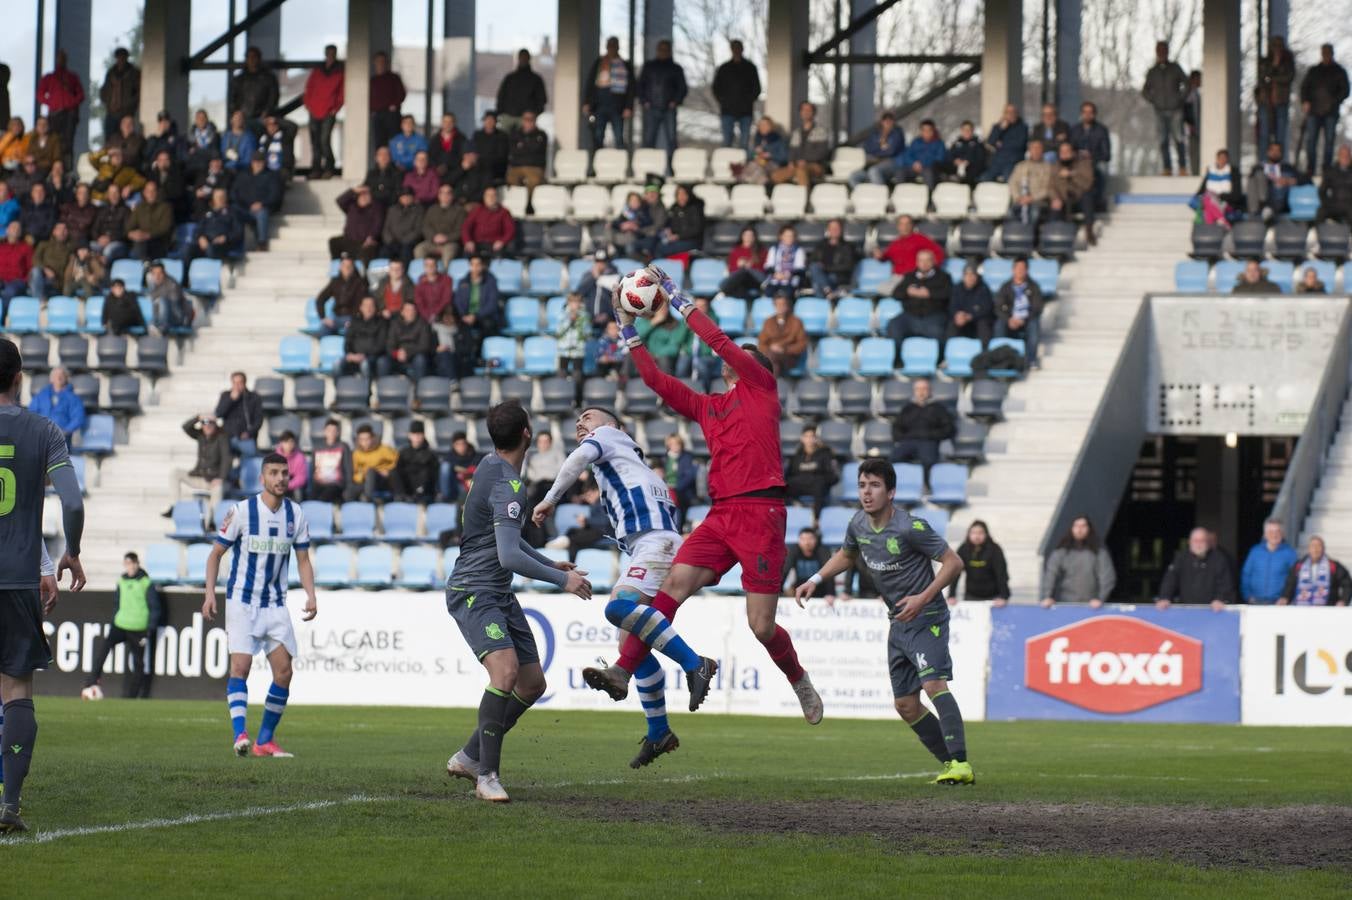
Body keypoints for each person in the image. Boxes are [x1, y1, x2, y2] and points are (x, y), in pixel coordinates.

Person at [589, 266, 823, 725]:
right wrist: (628, 327)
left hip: (761, 513)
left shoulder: (761, 387)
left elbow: (718, 341)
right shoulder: (709, 406)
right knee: (671, 587)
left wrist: (676, 296)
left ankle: (798, 679)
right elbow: (656, 382)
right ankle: (622, 670)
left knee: (760, 626)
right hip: (721, 515)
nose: (731, 359)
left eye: (740, 356)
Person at [529, 408, 716, 768]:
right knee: (628, 643)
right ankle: (659, 730)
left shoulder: (611, 439)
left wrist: (551, 498)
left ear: (612, 426)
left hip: (654, 542)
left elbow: (579, 457)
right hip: (647, 544)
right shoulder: (626, 460)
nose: (581, 423)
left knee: (617, 609)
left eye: (589, 417)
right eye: (578, 421)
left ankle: (696, 664)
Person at [443, 401, 593, 801]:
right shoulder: (508, 483)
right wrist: (563, 579)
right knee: (505, 674)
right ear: (527, 433)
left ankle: (472, 755)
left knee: (531, 684)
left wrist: (547, 561)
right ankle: (487, 775)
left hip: (497, 592)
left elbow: (506, 539)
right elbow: (508, 555)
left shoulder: (489, 466)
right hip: (475, 592)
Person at [795, 459, 971, 785]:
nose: (866, 492)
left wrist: (923, 596)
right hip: (898, 621)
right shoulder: (858, 524)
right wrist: (817, 579)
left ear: (890, 492)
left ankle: (961, 761)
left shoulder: (910, 527)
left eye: (874, 485)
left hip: (927, 615)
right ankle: (951, 764)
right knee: (905, 704)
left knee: (934, 684)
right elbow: (847, 555)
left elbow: (953, 562)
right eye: (862, 485)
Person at [0, 337, 87, 833]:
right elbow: (72, 504)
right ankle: (10, 807)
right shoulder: (45, 430)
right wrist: (67, 553)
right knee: (16, 689)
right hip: (16, 579)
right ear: (18, 378)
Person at [204, 452, 317, 760]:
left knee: (284, 672)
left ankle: (264, 741)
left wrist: (311, 594)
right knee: (240, 667)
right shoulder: (241, 512)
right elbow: (215, 554)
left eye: (284, 473)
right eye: (274, 473)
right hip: (242, 601)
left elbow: (303, 559)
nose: (280, 478)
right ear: (262, 478)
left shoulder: (296, 515)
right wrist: (210, 593)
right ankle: (240, 733)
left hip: (275, 605)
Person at [83, 552, 160, 699]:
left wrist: (149, 630)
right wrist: (114, 620)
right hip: (120, 625)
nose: (129, 567)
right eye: (127, 564)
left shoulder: (146, 583)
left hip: (138, 628)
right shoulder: (122, 581)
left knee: (138, 664)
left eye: (131, 564)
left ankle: (132, 697)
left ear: (137, 564)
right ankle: (92, 680)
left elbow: (155, 607)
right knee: (104, 648)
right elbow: (117, 603)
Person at [1041, 515, 1116, 607]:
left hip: (1092, 606)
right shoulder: (1061, 552)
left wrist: (1100, 598)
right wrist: (1047, 596)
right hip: (1065, 604)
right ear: (1071, 528)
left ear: (1089, 529)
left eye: (1083, 526)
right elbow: (1050, 575)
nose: (1079, 529)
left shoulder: (1099, 553)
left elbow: (1107, 577)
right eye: (1076, 526)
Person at [166, 414, 231, 518]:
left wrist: (221, 478)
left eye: (211, 423)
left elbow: (227, 459)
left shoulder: (222, 437)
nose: (208, 426)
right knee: (175, 473)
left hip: (212, 480)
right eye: (205, 423)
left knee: (218, 488)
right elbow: (186, 427)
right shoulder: (200, 435)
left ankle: (212, 520)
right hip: (198, 477)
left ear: (215, 425)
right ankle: (175, 507)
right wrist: (198, 417)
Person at [1155, 527, 1236, 610]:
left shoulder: (1219, 559)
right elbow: (1170, 579)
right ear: (1189, 542)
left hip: (1212, 611)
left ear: (1208, 542)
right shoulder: (1181, 558)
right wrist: (1165, 597)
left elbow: (1226, 584)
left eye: (1202, 541)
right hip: (1185, 610)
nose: (1198, 544)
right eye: (1195, 541)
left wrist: (1220, 599)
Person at [1300, 45, 1349, 176]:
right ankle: (1310, 169)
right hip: (1314, 112)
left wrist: (1333, 102)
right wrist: (1305, 101)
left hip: (1331, 113)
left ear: (1332, 54)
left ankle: (1326, 170)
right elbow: (1304, 88)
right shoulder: (1314, 70)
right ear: (1321, 54)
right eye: (1324, 53)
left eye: (1328, 53)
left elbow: (1345, 91)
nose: (1326, 56)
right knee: (1311, 142)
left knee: (1329, 143)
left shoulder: (1339, 71)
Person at [887, 248, 952, 348]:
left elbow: (948, 294)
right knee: (894, 325)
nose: (924, 263)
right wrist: (908, 291)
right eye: (921, 260)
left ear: (933, 261)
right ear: (917, 262)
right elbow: (896, 294)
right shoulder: (909, 276)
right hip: (910, 316)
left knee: (938, 332)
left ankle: (939, 360)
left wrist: (929, 294)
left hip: (933, 316)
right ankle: (897, 359)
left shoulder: (943, 277)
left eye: (927, 260)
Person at [1142, 41, 1190, 174]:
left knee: (1179, 138)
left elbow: (1187, 84)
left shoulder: (1175, 68)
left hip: (1175, 110)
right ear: (1156, 52)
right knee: (1163, 140)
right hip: (1159, 110)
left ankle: (1182, 167)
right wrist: (1154, 100)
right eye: (1159, 50)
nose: (1161, 52)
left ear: (1167, 51)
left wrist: (1180, 99)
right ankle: (1167, 168)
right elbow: (1145, 90)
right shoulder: (1153, 71)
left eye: (1164, 50)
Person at [452, 254, 501, 377]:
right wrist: (464, 315)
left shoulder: (491, 281)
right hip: (467, 317)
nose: (475, 267)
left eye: (478, 264)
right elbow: (458, 301)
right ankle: (467, 362)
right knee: (461, 331)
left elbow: (492, 303)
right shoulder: (463, 281)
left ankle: (481, 357)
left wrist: (476, 316)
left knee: (487, 326)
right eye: (473, 265)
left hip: (484, 316)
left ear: (482, 266)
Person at [890, 377, 954, 472]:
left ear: (930, 391)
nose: (921, 392)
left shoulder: (939, 408)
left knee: (928, 461)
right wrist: (902, 438)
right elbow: (896, 427)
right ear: (914, 391)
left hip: (928, 441)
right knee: (893, 458)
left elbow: (948, 428)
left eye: (924, 389)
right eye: (918, 389)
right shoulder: (907, 408)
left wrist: (933, 436)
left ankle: (926, 485)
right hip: (908, 441)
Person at [638, 40, 688, 158]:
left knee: (671, 140)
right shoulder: (649, 66)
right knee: (649, 139)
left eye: (666, 49)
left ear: (670, 51)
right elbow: (640, 86)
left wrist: (675, 102)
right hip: (651, 108)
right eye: (661, 49)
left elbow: (682, 88)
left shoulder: (676, 68)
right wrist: (644, 101)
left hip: (669, 109)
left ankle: (672, 170)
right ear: (657, 50)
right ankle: (648, 168)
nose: (663, 52)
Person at [584, 37, 635, 150]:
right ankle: (597, 164)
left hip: (617, 105)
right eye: (609, 45)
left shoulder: (625, 65)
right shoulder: (599, 63)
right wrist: (587, 102)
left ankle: (621, 163)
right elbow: (590, 83)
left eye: (614, 45)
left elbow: (631, 88)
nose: (611, 48)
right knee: (598, 136)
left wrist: (628, 106)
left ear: (618, 47)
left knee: (619, 137)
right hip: (600, 104)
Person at [37, 50, 84, 168]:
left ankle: (67, 168)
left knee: (68, 142)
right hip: (55, 114)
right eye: (59, 58)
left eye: (63, 58)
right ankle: (53, 167)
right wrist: (52, 103)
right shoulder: (49, 77)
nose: (61, 60)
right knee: (53, 141)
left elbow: (81, 95)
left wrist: (70, 103)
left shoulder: (72, 77)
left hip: (68, 114)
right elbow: (40, 94)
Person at [303, 44, 343, 178]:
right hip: (314, 110)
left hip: (328, 111)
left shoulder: (339, 71)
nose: (330, 56)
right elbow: (309, 88)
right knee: (314, 141)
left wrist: (336, 108)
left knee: (324, 140)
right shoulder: (318, 71)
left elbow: (342, 93)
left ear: (336, 54)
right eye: (328, 53)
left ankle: (329, 168)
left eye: (333, 53)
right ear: (325, 54)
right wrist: (308, 105)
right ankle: (316, 169)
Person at [994, 258, 1044, 367]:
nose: (1020, 271)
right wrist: (1009, 319)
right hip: (1010, 319)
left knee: (1034, 325)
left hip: (1027, 319)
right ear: (1013, 270)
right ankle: (999, 358)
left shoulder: (1034, 287)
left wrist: (1023, 319)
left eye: (1023, 268)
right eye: (1018, 268)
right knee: (999, 325)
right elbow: (998, 306)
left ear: (1027, 270)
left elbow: (1037, 308)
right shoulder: (1005, 287)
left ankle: (1032, 359)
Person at [712, 40, 761, 150]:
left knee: (744, 142)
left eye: (739, 47)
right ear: (731, 49)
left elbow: (757, 88)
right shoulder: (724, 68)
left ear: (742, 49)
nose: (736, 50)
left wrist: (749, 100)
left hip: (746, 110)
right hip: (727, 110)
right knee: (727, 141)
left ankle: (743, 166)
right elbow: (716, 88)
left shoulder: (750, 67)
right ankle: (725, 165)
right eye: (734, 48)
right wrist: (723, 101)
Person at [874, 214, 944, 288]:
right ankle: (906, 293)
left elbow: (939, 252)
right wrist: (880, 256)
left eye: (908, 224)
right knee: (881, 288)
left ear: (912, 225)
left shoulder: (920, 239)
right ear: (898, 226)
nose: (905, 227)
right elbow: (885, 257)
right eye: (902, 224)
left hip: (914, 278)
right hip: (897, 277)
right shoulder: (895, 243)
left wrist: (929, 270)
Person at [771, 102, 831, 188]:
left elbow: (822, 152)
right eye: (803, 110)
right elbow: (792, 150)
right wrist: (791, 161)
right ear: (800, 113)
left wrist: (805, 160)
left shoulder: (821, 131)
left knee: (801, 171)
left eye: (808, 110)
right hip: (797, 165)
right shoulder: (796, 133)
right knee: (776, 175)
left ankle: (804, 199)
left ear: (813, 112)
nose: (806, 112)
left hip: (816, 166)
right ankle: (789, 197)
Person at [1279, 536, 1352, 606]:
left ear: (1323, 549)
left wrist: (1344, 600)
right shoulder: (1299, 566)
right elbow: (1290, 585)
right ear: (1309, 549)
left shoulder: (1333, 566)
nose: (1315, 549)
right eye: (1313, 546)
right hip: (1302, 609)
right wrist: (1285, 597)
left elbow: (1347, 584)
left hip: (1327, 610)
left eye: (1318, 546)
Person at [230, 152, 281, 250]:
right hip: (243, 207)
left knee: (262, 214)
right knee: (232, 211)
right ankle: (235, 244)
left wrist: (262, 203)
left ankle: (262, 243)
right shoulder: (243, 175)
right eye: (256, 161)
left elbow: (275, 195)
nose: (258, 164)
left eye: (260, 162)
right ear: (252, 162)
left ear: (264, 162)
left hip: (262, 207)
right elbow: (234, 193)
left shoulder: (271, 176)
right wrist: (246, 205)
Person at [1240, 518, 1298, 605]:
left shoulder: (1290, 553)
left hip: (1279, 604)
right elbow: (1246, 574)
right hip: (1255, 602)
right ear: (1265, 534)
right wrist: (1247, 596)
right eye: (1271, 532)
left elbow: (1295, 578)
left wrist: (1286, 597)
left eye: (1278, 531)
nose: (1274, 535)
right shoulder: (1255, 551)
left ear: (1282, 534)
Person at [1050, 141, 1098, 245]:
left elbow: (1088, 183)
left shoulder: (1084, 164)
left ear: (1073, 152)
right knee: (1054, 207)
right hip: (1062, 199)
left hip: (1079, 198)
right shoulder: (1055, 167)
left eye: (1067, 151)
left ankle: (1089, 230)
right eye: (1062, 151)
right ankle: (1055, 239)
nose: (1064, 153)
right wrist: (1055, 197)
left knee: (1088, 198)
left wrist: (1072, 174)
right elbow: (1051, 185)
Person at [951, 520, 1009, 605]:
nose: (977, 536)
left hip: (993, 597)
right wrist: (951, 595)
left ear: (986, 534)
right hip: (971, 596)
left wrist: (1004, 596)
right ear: (968, 534)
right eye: (973, 533)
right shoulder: (963, 549)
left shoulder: (995, 549)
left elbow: (1002, 574)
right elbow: (955, 573)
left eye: (980, 533)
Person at [784, 425, 837, 515]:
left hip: (816, 486)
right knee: (783, 487)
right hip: (800, 485)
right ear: (802, 438)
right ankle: (788, 514)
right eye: (806, 436)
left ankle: (816, 519)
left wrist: (820, 480)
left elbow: (832, 477)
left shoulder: (825, 454)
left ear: (816, 438)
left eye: (812, 436)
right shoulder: (797, 456)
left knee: (819, 484)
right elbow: (789, 475)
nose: (809, 439)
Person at [1068, 101, 1111, 212]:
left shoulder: (1101, 130)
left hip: (1094, 163)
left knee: (1099, 171)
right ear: (1081, 114)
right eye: (1085, 112)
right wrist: (1077, 154)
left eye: (1090, 112)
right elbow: (1068, 149)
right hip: (1076, 163)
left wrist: (1091, 155)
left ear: (1094, 114)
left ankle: (1098, 201)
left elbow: (1106, 155)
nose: (1087, 115)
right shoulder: (1074, 130)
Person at [1257, 35, 1295, 156]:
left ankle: (1280, 161)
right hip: (1265, 101)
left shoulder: (1288, 62)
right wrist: (1274, 65)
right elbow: (1262, 79)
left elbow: (1288, 78)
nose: (1277, 50)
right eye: (1275, 47)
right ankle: (1263, 162)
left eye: (1279, 47)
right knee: (1264, 133)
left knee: (1281, 134)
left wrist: (1272, 77)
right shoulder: (1264, 62)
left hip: (1281, 101)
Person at [27, 365, 84, 445]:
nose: (59, 377)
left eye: (62, 375)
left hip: (62, 440)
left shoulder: (73, 398)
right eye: (56, 375)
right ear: (51, 379)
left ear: (66, 378)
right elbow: (31, 414)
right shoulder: (41, 396)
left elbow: (78, 418)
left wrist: (65, 431)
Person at [329, 185, 385, 264]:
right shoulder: (351, 207)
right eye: (361, 195)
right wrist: (353, 190)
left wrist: (371, 237)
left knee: (368, 249)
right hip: (349, 239)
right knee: (334, 242)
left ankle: (361, 272)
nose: (364, 198)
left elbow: (378, 224)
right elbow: (339, 200)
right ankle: (337, 265)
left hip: (365, 242)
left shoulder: (376, 208)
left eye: (366, 195)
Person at [496, 49, 547, 134]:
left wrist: (533, 115)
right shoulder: (510, 78)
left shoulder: (536, 79)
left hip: (527, 119)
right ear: (518, 58)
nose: (523, 59)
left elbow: (542, 100)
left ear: (529, 59)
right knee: (502, 141)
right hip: (508, 116)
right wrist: (501, 112)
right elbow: (501, 96)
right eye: (521, 57)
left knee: (525, 142)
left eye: (525, 57)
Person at [381, 299, 435, 380]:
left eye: (413, 310)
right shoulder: (395, 324)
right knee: (383, 361)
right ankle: (384, 388)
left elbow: (425, 346)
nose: (410, 312)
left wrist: (407, 352)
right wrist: (397, 353)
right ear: (402, 312)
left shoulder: (423, 324)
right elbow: (389, 345)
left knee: (420, 359)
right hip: (397, 357)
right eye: (407, 310)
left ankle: (419, 388)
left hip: (415, 356)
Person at [757, 292, 807, 376]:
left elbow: (802, 345)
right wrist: (771, 348)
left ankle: (765, 387)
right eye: (778, 305)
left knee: (769, 360)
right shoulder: (768, 322)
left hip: (789, 357)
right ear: (774, 306)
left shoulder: (796, 322)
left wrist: (784, 349)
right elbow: (761, 344)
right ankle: (771, 386)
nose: (781, 307)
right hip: (771, 355)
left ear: (788, 306)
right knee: (771, 359)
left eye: (783, 304)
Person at [215, 372, 264, 457]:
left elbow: (259, 420)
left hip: (246, 438)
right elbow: (219, 413)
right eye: (235, 383)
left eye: (240, 382)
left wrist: (249, 433)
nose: (237, 386)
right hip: (228, 437)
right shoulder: (226, 395)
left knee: (251, 458)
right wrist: (231, 400)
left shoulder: (254, 397)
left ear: (245, 383)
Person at [850, 112, 906, 187]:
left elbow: (891, 152)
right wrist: (881, 148)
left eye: (890, 121)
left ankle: (880, 197)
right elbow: (868, 148)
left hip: (891, 162)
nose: (887, 123)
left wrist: (877, 150)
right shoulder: (876, 133)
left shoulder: (897, 133)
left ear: (893, 122)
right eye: (885, 121)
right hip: (873, 163)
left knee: (873, 171)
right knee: (854, 176)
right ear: (882, 122)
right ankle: (864, 196)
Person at [807, 218, 858, 299]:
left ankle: (825, 301)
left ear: (841, 230)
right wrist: (820, 268)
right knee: (814, 268)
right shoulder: (820, 245)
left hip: (837, 276)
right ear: (828, 230)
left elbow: (848, 266)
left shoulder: (848, 247)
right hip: (822, 274)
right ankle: (828, 291)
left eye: (837, 228)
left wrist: (826, 267)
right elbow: (811, 261)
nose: (834, 230)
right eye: (832, 228)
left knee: (816, 284)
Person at [1007, 139, 1054, 228]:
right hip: (1020, 200)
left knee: (1034, 212)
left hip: (1038, 201)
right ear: (1029, 151)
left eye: (1038, 148)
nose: (1036, 151)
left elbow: (1048, 188)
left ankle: (1030, 237)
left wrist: (1031, 198)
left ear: (1042, 150)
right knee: (1010, 212)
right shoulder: (1020, 166)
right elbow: (1012, 183)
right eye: (1033, 148)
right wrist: (1018, 197)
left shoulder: (1048, 168)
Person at [1246, 141, 1300, 218]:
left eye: (1278, 151)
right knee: (1257, 176)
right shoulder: (1259, 167)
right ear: (1268, 152)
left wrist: (1288, 181)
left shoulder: (1288, 168)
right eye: (1272, 150)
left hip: (1279, 199)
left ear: (1281, 153)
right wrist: (1270, 179)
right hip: (1262, 198)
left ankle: (1267, 208)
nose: (1275, 153)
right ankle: (1261, 207)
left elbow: (1304, 180)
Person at [389, 420, 439, 503]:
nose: (417, 437)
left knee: (425, 472)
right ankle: (401, 495)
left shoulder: (430, 454)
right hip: (407, 486)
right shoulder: (404, 452)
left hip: (424, 488)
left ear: (423, 436)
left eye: (419, 434)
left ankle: (418, 495)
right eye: (414, 434)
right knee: (394, 471)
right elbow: (398, 470)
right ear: (410, 436)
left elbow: (434, 475)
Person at [315, 254, 366, 334]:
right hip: (336, 317)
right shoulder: (335, 282)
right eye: (344, 265)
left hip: (352, 318)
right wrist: (323, 317)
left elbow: (361, 303)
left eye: (349, 266)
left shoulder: (359, 283)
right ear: (340, 267)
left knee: (350, 331)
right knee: (323, 330)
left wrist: (355, 319)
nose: (347, 268)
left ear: (353, 268)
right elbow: (320, 299)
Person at [416, 182, 465, 265]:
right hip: (432, 241)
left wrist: (446, 238)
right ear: (439, 195)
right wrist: (433, 237)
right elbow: (425, 226)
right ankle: (424, 275)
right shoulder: (432, 209)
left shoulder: (460, 211)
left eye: (448, 193)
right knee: (419, 249)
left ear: (452, 196)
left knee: (448, 252)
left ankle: (443, 276)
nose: (445, 195)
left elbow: (460, 230)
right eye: (442, 193)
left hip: (450, 243)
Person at [461, 185, 516, 257]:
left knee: (500, 255)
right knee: (467, 254)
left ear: (497, 197)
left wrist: (502, 241)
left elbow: (510, 230)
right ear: (484, 197)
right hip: (477, 243)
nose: (491, 198)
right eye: (488, 195)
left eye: (493, 195)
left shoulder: (504, 212)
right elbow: (466, 227)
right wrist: (468, 241)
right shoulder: (477, 210)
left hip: (495, 244)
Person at [947, 264, 994, 347]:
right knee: (952, 325)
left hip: (977, 319)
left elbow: (986, 308)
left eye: (972, 274)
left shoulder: (983, 288)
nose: (970, 277)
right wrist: (957, 315)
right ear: (963, 276)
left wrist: (970, 316)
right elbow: (952, 305)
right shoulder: (957, 288)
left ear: (977, 276)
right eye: (967, 275)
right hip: (962, 319)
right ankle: (949, 354)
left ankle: (984, 354)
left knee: (983, 325)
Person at [100, 48, 141, 142]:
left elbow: (138, 94)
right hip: (111, 113)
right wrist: (108, 103)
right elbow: (104, 90)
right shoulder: (110, 73)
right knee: (110, 140)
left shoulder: (134, 73)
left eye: (123, 57)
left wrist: (129, 106)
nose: (121, 59)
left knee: (126, 138)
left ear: (127, 58)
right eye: (119, 57)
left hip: (126, 113)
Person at [125, 179, 173, 260]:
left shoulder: (166, 207)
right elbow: (129, 226)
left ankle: (144, 268)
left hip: (159, 241)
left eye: (153, 191)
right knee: (137, 244)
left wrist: (148, 235)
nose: (150, 194)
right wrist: (131, 234)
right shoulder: (139, 207)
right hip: (141, 241)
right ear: (144, 193)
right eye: (148, 191)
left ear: (157, 192)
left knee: (141, 246)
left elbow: (165, 228)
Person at [347, 424, 397, 501]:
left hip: (382, 480)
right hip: (365, 482)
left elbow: (398, 461)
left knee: (371, 471)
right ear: (358, 440)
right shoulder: (356, 454)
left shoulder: (383, 449)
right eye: (362, 439)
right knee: (349, 492)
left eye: (367, 439)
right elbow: (354, 474)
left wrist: (388, 470)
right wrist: (362, 475)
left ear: (372, 438)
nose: (365, 442)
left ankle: (368, 498)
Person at [979, 103, 1027, 183]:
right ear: (1004, 114)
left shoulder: (1022, 127)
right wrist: (1001, 129)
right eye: (1008, 112)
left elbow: (1019, 144)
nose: (1010, 114)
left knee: (1008, 179)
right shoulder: (998, 126)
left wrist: (1001, 144)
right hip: (997, 162)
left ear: (1016, 113)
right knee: (983, 179)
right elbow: (990, 142)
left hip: (1013, 162)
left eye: (1012, 112)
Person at [895, 119, 949, 191]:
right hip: (914, 167)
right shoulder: (916, 142)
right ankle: (900, 193)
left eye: (929, 130)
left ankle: (929, 197)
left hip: (928, 168)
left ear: (933, 131)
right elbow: (907, 155)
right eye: (923, 130)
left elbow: (940, 158)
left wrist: (922, 164)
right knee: (900, 171)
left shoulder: (939, 143)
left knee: (929, 173)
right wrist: (913, 163)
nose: (926, 132)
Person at [342, 296, 388, 378]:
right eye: (366, 305)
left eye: (371, 305)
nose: (368, 308)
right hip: (354, 357)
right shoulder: (354, 321)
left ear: (375, 308)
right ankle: (341, 390)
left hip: (372, 357)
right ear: (361, 307)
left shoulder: (382, 322)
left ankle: (367, 390)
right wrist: (350, 354)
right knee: (337, 365)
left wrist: (364, 355)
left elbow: (381, 345)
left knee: (365, 364)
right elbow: (347, 341)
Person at [369, 51, 406, 152]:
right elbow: (368, 99)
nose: (380, 64)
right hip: (377, 115)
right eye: (378, 62)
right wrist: (372, 110)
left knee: (394, 142)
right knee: (380, 143)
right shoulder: (373, 81)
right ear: (374, 63)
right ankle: (381, 166)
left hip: (392, 115)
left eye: (383, 61)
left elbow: (402, 94)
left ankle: (395, 165)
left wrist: (394, 104)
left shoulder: (394, 78)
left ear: (387, 63)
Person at [504, 110, 548, 195]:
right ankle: (517, 203)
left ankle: (529, 205)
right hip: (517, 167)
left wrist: (522, 146)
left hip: (534, 167)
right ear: (522, 120)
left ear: (535, 121)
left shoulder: (541, 134)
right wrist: (530, 146)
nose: (528, 122)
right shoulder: (515, 134)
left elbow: (537, 150)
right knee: (510, 180)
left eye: (531, 119)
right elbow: (513, 151)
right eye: (526, 119)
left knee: (533, 181)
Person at [783, 528, 834, 600]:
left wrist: (830, 593)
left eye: (810, 539)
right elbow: (785, 571)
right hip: (800, 589)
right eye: (803, 539)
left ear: (816, 540)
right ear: (799, 541)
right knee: (789, 588)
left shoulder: (822, 551)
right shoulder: (794, 550)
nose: (807, 542)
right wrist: (777, 592)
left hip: (820, 590)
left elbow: (829, 572)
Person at [145, 259, 193, 334]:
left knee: (162, 300)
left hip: (177, 316)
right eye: (154, 274)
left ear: (164, 273)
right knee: (151, 322)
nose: (157, 276)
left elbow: (175, 306)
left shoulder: (172, 284)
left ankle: (162, 327)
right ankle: (155, 325)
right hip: (163, 317)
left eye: (159, 273)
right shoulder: (154, 286)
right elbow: (155, 306)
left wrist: (161, 300)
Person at [556, 292, 589, 403]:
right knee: (562, 374)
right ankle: (561, 398)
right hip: (564, 350)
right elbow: (559, 332)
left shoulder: (584, 316)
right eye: (572, 302)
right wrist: (569, 320)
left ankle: (578, 401)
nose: (575, 305)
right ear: (568, 303)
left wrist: (579, 322)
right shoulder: (562, 315)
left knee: (577, 375)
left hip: (578, 350)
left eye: (577, 302)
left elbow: (587, 333)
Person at [308, 419, 351, 503]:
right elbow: (312, 468)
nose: (331, 433)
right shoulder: (317, 448)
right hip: (319, 483)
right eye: (329, 430)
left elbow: (348, 469)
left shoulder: (343, 447)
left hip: (335, 484)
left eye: (334, 430)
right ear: (325, 431)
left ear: (338, 432)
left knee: (324, 498)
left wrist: (348, 488)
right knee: (311, 500)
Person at [1196, 148, 1242, 225]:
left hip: (1226, 202)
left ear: (1227, 159)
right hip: (1210, 200)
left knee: (1208, 203)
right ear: (1217, 159)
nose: (1222, 160)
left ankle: (1212, 226)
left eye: (1224, 158)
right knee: (1208, 200)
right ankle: (1221, 221)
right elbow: (1201, 191)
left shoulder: (1233, 172)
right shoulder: (1210, 171)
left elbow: (1236, 195)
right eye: (1220, 158)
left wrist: (1220, 196)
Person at [28, 220, 72, 301]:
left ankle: (39, 302)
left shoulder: (70, 248)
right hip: (42, 277)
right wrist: (45, 269)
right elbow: (35, 259)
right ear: (54, 231)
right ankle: (40, 302)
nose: (62, 232)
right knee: (35, 271)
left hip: (57, 281)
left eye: (65, 229)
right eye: (59, 229)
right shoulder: (44, 244)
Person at [739, 116, 788, 184]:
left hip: (772, 164)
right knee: (750, 166)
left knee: (758, 168)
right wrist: (755, 153)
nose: (763, 127)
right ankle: (745, 184)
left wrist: (770, 155)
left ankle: (750, 185)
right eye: (761, 125)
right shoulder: (756, 139)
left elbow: (784, 157)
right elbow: (748, 156)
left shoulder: (777, 139)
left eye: (765, 125)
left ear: (771, 126)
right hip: (757, 162)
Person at [380, 189, 425, 261]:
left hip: (408, 242)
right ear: (399, 198)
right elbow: (386, 228)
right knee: (384, 253)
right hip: (392, 242)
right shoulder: (392, 209)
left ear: (412, 198)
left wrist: (404, 241)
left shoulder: (419, 210)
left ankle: (404, 272)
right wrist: (391, 241)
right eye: (403, 197)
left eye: (408, 196)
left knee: (406, 253)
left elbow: (417, 230)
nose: (406, 199)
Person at [0, 221, 32, 317]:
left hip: (17, 281)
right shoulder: (1, 247)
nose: (15, 230)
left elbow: (30, 267)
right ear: (7, 230)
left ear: (20, 233)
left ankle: (2, 322)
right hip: (1, 279)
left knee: (8, 292)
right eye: (13, 227)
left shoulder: (26, 248)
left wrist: (25, 281)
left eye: (18, 228)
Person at [662, 434, 697, 514]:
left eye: (677, 444)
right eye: (672, 444)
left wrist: (675, 487)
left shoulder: (687, 457)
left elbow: (689, 476)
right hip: (667, 491)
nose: (675, 446)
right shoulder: (664, 458)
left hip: (682, 493)